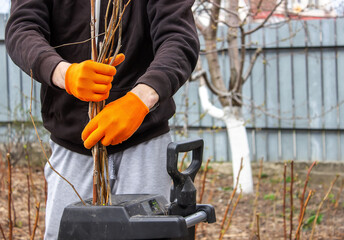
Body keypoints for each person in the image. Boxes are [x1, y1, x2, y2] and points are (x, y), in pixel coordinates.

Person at [5, 0, 200, 239]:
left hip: (145, 141)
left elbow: (179, 38)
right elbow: (22, 29)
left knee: (149, 234)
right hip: (74, 145)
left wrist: (141, 98)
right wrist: (64, 73)